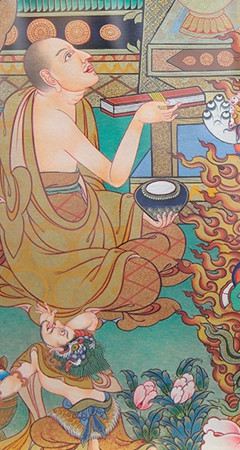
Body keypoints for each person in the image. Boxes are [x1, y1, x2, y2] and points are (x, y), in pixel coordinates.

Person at [0, 38, 187, 330]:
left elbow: (89, 182)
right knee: (144, 281)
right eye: (68, 56)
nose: (86, 55)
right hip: (50, 237)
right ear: (49, 77)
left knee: (172, 237)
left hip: (85, 210)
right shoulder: (55, 122)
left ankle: (114, 265)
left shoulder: (50, 101)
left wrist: (133, 216)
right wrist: (139, 120)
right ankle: (96, 289)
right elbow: (115, 177)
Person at [0, 304, 151, 449]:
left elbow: (91, 319)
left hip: (98, 414)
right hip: (80, 413)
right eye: (57, 326)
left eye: (61, 331)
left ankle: (95, 442)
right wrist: (13, 380)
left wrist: (66, 328)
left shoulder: (79, 356)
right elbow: (20, 376)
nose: (57, 325)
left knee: (40, 431)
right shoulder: (38, 353)